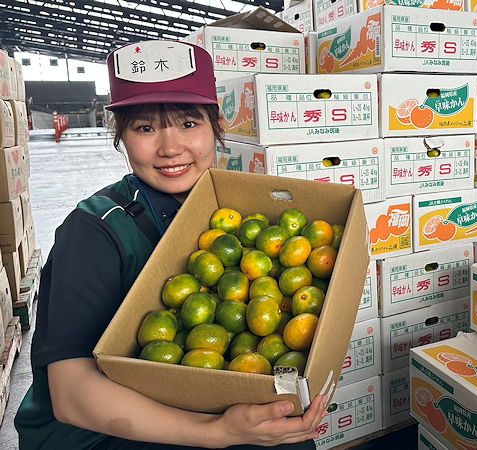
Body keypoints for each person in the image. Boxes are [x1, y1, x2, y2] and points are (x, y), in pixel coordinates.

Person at [15, 39, 326, 450]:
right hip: (93, 432)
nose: (170, 148)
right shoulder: (93, 231)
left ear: (216, 128)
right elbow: (71, 395)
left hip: (184, 391)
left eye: (188, 123)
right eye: (145, 128)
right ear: (120, 137)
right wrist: (217, 432)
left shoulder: (230, 214)